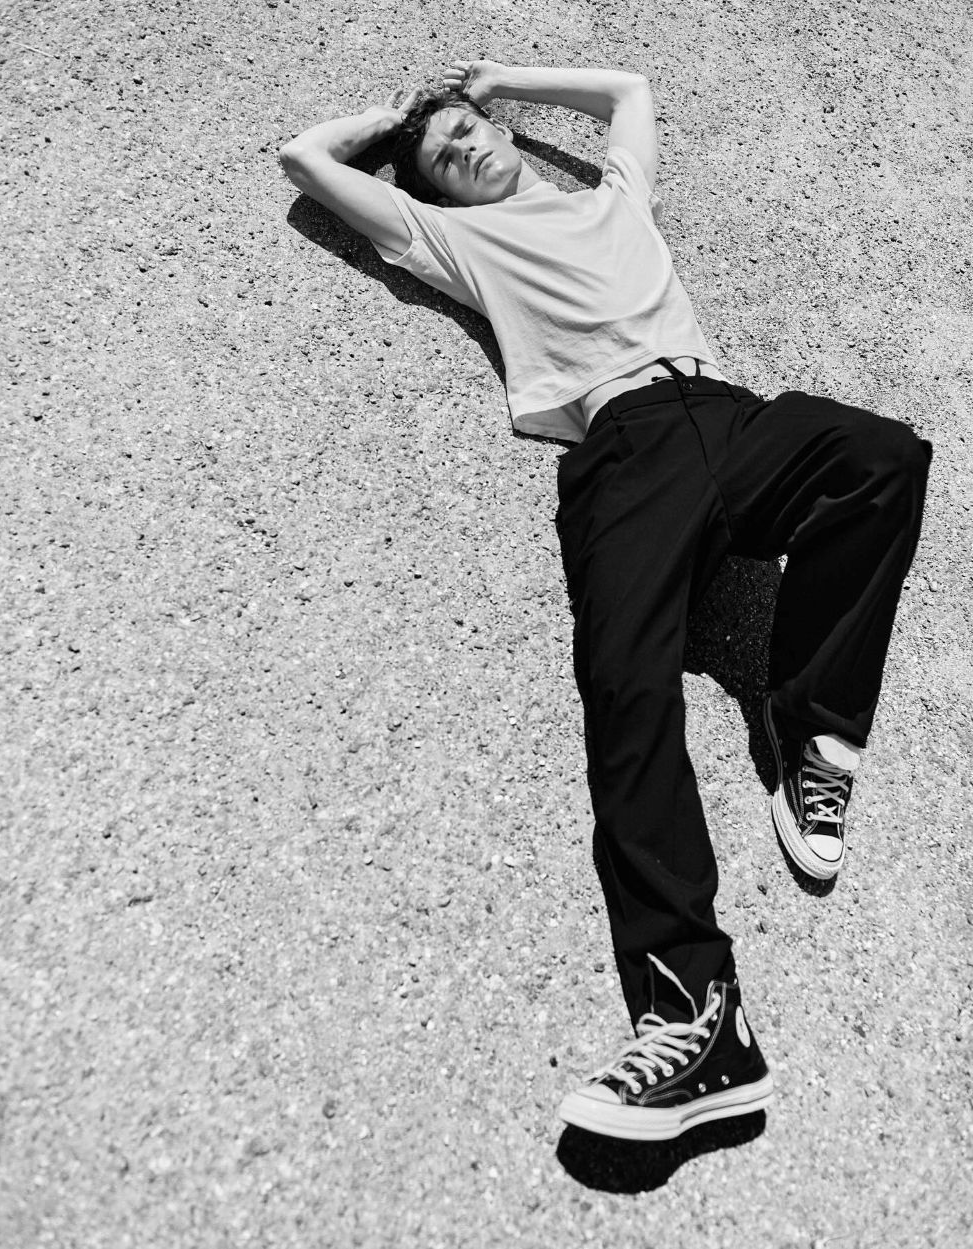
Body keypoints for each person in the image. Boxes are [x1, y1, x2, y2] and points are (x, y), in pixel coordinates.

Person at [279, 60, 931, 1142]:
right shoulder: (458, 240)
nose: (466, 149)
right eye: (444, 157)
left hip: (727, 414)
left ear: (507, 132)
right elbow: (306, 159)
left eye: (471, 132)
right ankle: (697, 1018)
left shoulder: (613, 197)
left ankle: (815, 738)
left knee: (884, 457)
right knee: (627, 689)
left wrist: (498, 80)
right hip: (622, 451)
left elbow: (630, 93)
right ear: (435, 193)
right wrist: (404, 119)